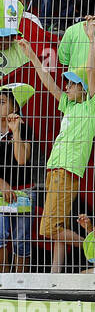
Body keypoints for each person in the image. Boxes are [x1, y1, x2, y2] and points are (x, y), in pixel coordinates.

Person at [22, 16, 95, 271]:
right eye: (67, 82)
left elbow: (91, 72)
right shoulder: (68, 105)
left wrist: (91, 39)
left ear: (84, 89)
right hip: (56, 169)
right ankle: (55, 274)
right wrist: (33, 57)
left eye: (72, 84)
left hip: (66, 171)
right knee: (59, 225)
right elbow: (48, 83)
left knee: (48, 229)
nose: (66, 86)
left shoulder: (92, 107)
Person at [0, 82, 37, 271]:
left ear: (15, 106)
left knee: (21, 240)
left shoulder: (25, 129)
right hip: (0, 192)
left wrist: (15, 131)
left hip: (24, 192)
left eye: (3, 102)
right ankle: (3, 280)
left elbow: (21, 159)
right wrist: (3, 185)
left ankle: (20, 281)